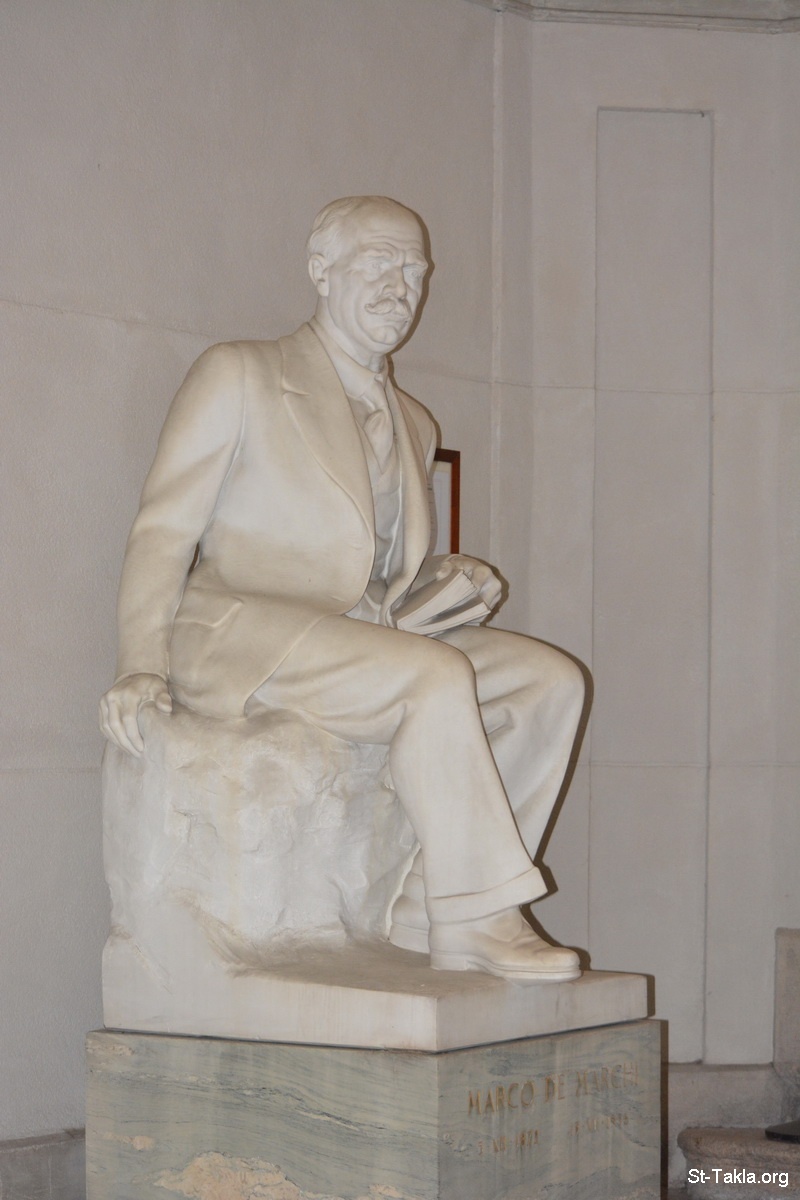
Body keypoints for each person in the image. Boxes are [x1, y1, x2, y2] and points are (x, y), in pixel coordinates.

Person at [99, 195, 585, 983]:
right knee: (433, 678)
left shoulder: (416, 422)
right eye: (379, 263)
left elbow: (368, 568)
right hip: (242, 634)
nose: (401, 287)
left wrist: (441, 584)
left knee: (549, 682)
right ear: (321, 271)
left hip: (360, 637)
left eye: (415, 270)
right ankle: (482, 918)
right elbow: (162, 530)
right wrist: (137, 665)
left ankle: (429, 909)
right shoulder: (240, 373)